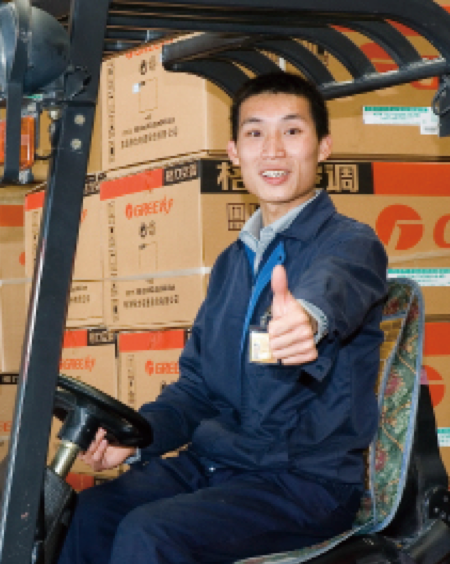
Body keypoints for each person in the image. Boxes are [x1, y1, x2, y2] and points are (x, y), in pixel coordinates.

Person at [56, 71, 388, 564]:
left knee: (151, 536)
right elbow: (196, 391)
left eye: (292, 131)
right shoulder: (232, 264)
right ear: (234, 152)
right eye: (255, 133)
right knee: (87, 515)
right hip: (218, 464)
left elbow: (334, 288)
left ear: (323, 147)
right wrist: (136, 442)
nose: (272, 150)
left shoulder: (350, 243)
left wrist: (308, 319)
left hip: (302, 482)